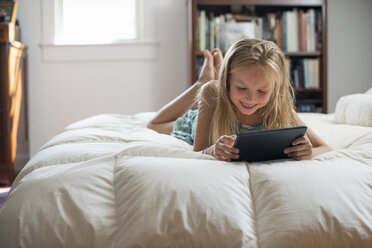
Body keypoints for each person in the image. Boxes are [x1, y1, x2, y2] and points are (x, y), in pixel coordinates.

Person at [147, 39, 332, 161]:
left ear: (274, 90)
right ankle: (202, 82)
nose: (251, 98)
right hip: (206, 118)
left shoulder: (278, 104)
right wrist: (212, 150)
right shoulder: (213, 94)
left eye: (262, 91)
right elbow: (199, 152)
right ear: (227, 81)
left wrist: (308, 153)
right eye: (242, 88)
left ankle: (214, 78)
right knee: (154, 125)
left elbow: (324, 147)